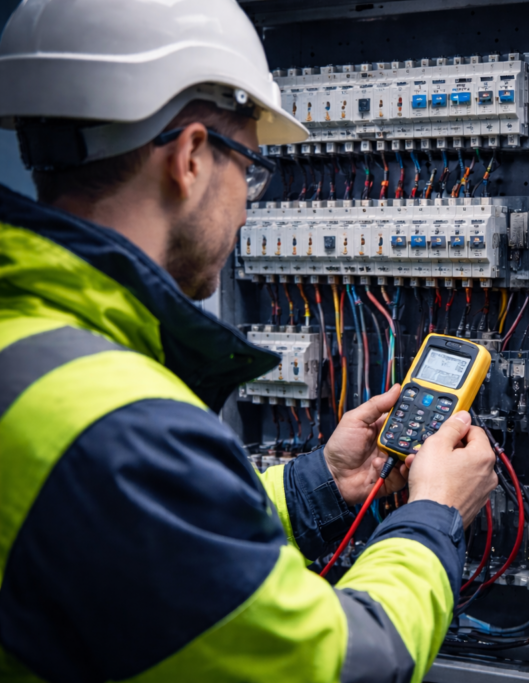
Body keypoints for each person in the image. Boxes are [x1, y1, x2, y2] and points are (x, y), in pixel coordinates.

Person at [0, 1, 498, 681]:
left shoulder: (33, 352)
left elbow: (133, 538)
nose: (246, 204)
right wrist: (432, 516)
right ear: (192, 158)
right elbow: (338, 666)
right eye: (252, 172)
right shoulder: (117, 421)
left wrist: (315, 485)